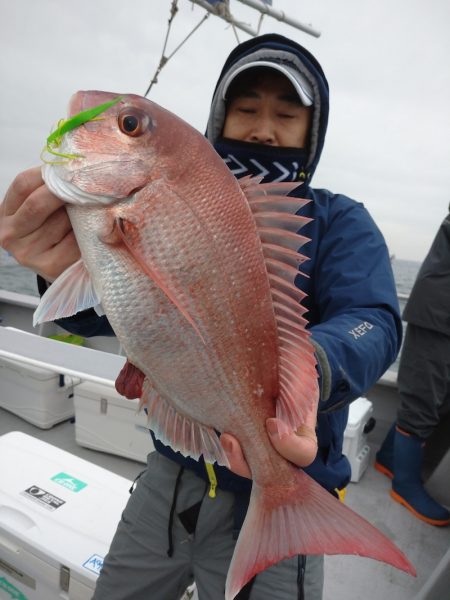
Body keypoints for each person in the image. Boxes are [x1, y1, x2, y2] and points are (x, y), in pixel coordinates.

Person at [0, 34, 401, 599]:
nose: (264, 128)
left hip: (290, 476)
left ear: (312, 134)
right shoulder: (159, 203)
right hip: (173, 476)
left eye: (287, 114)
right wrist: (56, 267)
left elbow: (376, 323)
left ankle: (284, 511)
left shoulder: (338, 222)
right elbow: (107, 315)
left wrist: (306, 370)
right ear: (217, 119)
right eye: (246, 109)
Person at [375, 206, 450, 527]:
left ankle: (389, 458)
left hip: (439, 312)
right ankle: (404, 485)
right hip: (439, 314)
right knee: (423, 398)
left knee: (439, 399)